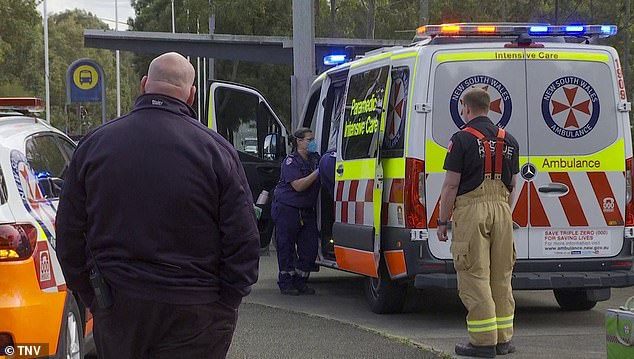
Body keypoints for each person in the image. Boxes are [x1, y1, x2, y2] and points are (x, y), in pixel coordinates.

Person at [55, 52, 260, 359]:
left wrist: (93, 297)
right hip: (196, 310)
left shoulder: (94, 146)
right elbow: (243, 240)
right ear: (191, 95)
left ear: (144, 85)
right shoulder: (217, 153)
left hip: (119, 306)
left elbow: (69, 233)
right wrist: (223, 304)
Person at [436, 88, 520, 358]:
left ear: (466, 108)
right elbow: (513, 185)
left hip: (472, 212)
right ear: (489, 108)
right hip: (503, 211)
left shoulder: (460, 140)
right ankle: (503, 339)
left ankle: (483, 342)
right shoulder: (510, 141)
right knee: (501, 276)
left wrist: (442, 220)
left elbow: (450, 186)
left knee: (474, 276)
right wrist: (505, 212)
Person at [272, 127, 321, 295]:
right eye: (310, 140)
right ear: (299, 141)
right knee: (286, 247)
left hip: (306, 211)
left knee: (310, 248)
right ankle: (286, 283)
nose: (313, 143)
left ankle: (301, 281)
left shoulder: (315, 159)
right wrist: (317, 173)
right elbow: (298, 186)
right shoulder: (290, 162)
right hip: (288, 210)